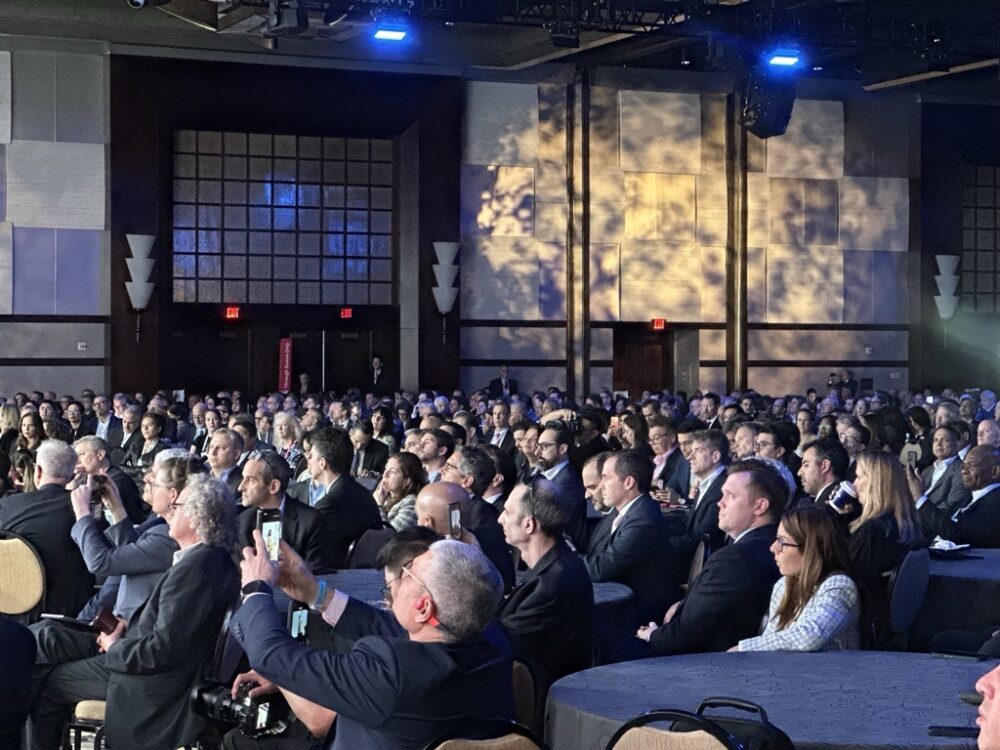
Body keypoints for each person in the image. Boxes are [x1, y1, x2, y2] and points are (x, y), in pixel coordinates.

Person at [230, 535, 514, 750]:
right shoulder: (493, 640)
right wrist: (316, 594)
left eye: (407, 572)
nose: (397, 577)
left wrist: (256, 588)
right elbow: (392, 626)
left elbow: (271, 654)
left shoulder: (389, 673)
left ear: (424, 607)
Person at [24, 474, 240, 750]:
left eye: (179, 505)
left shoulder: (194, 571)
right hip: (139, 651)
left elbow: (163, 649)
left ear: (197, 518)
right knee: (47, 638)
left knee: (46, 683)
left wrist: (116, 646)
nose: (172, 512)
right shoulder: (211, 561)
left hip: (150, 683)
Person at [638, 460, 783, 655]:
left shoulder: (737, 558)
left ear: (760, 506)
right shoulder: (762, 542)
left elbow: (684, 635)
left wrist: (652, 635)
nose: (719, 502)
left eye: (730, 496)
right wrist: (683, 605)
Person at [498, 477, 594, 698]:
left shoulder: (554, 582)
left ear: (529, 525)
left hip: (542, 698)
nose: (500, 518)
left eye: (508, 512)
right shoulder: (555, 565)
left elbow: (503, 641)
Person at [733, 505, 860, 651]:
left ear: (809, 550)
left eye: (782, 542)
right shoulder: (783, 585)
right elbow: (769, 642)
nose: (773, 548)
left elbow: (810, 637)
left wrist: (743, 648)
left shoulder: (840, 586)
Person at [0, 440, 95, 616]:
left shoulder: (6, 507)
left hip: (10, 610)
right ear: (71, 474)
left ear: (39, 471)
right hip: (67, 614)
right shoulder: (83, 510)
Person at [583, 450, 678, 624]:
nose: (601, 485)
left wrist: (563, 559)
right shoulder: (632, 511)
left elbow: (602, 570)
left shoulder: (643, 520)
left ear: (628, 482)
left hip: (635, 617)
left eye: (606, 478)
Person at [849, 451, 924, 635]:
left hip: (862, 621)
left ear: (876, 482)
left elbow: (846, 581)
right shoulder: (905, 524)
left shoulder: (872, 532)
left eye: (859, 477)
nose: (854, 484)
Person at [288, 428, 380, 568]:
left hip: (336, 579)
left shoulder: (327, 506)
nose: (307, 458)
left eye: (311, 455)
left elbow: (304, 556)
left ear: (323, 463)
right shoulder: (364, 494)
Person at [237, 449, 335, 574]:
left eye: (250, 480)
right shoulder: (243, 521)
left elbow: (317, 575)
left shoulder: (311, 523)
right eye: (243, 478)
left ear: (273, 487)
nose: (241, 487)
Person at [910, 445, 1000, 547]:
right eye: (963, 465)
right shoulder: (971, 496)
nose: (963, 471)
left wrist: (919, 497)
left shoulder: (995, 501)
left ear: (995, 471)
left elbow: (959, 536)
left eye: (972, 464)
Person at [910, 424, 971, 514]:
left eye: (945, 440)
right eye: (936, 440)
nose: (938, 444)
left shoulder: (962, 471)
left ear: (957, 444)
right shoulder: (927, 471)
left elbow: (950, 508)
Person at [375, 452, 425, 531]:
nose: (385, 475)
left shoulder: (412, 503)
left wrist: (379, 505)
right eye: (386, 469)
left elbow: (388, 537)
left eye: (393, 472)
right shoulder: (385, 496)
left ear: (407, 481)